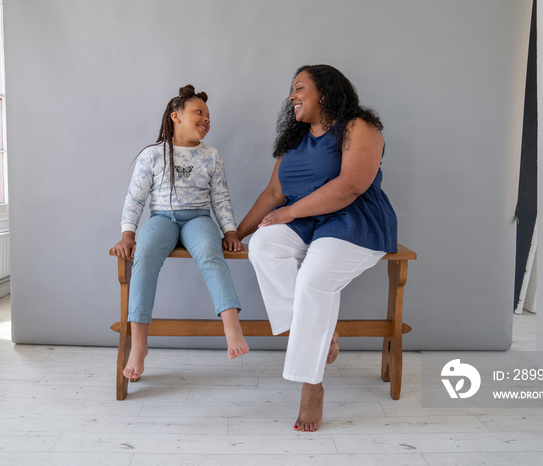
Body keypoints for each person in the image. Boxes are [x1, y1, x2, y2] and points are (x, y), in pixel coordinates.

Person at [237, 65, 397, 432]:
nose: (292, 96)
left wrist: (290, 212)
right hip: (304, 222)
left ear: (324, 91)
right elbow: (273, 194)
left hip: (354, 219)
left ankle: (312, 386)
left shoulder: (359, 127)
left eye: (299, 88)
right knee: (263, 245)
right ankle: (317, 334)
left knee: (312, 281)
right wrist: (236, 233)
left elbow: (351, 186)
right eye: (291, 90)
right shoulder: (295, 140)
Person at [114, 85, 249, 382]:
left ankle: (231, 324)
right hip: (161, 218)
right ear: (176, 116)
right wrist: (128, 234)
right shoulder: (152, 155)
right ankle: (139, 345)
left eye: (209, 115)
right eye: (198, 112)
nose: (206, 119)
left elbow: (220, 198)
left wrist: (230, 231)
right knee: (145, 256)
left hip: (198, 218)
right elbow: (135, 198)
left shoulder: (211, 155)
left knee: (211, 254)